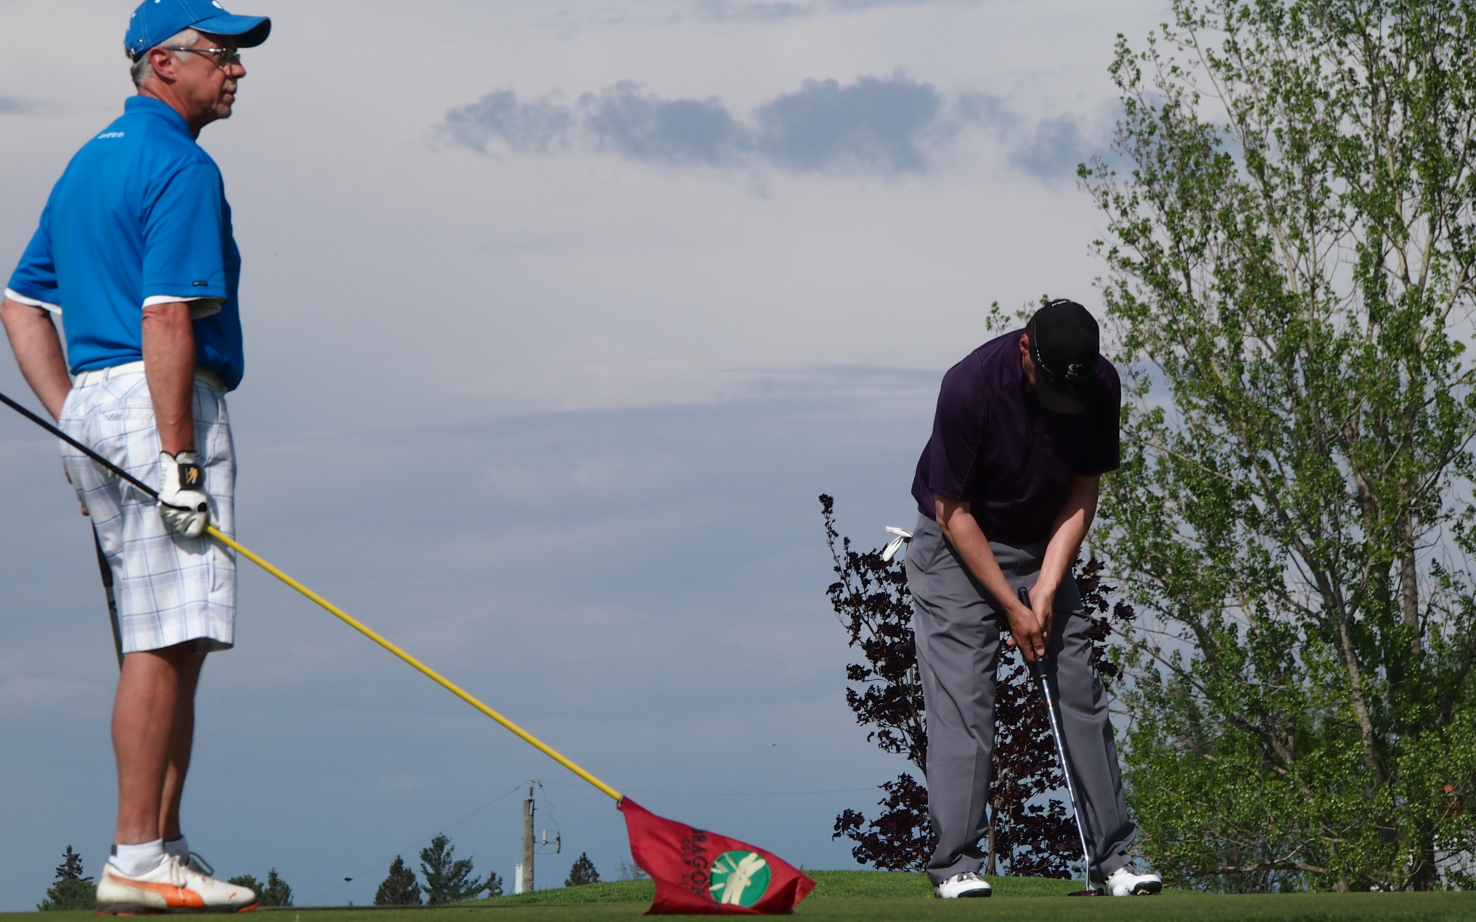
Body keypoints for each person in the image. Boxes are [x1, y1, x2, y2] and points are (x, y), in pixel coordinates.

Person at [0, 0, 271, 913]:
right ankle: (137, 855)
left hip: (102, 403)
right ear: (164, 62)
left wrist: (74, 421)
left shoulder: (89, 160)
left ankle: (162, 847)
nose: (236, 69)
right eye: (221, 53)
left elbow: (19, 304)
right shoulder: (181, 165)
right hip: (161, 403)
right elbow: (165, 315)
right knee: (161, 638)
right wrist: (178, 458)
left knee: (174, 634)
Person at [904, 299, 1163, 898]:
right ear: (1026, 348)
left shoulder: (1100, 384)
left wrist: (1045, 586)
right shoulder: (970, 386)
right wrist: (1012, 606)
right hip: (956, 546)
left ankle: (1115, 860)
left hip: (1042, 542)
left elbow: (1083, 489)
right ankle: (956, 865)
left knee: (1079, 689)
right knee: (965, 698)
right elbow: (951, 511)